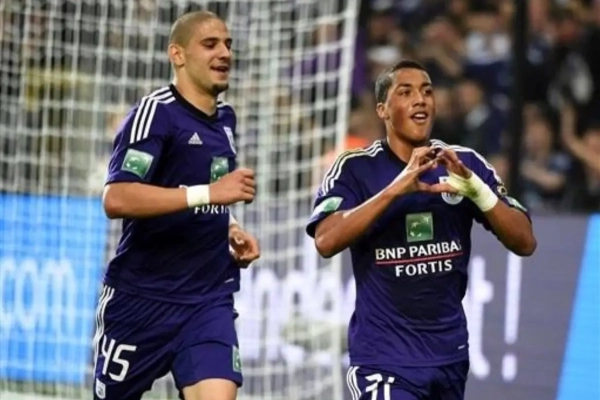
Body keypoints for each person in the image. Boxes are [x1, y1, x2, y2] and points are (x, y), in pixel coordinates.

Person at [306, 60, 536, 400]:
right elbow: (325, 240)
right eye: (406, 92)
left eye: (427, 91)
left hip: (449, 357)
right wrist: (395, 189)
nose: (420, 99)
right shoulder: (356, 168)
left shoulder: (462, 164)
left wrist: (478, 191)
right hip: (384, 360)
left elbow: (525, 242)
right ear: (383, 110)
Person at [94, 11, 259, 400]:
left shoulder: (226, 120)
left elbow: (207, 190)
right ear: (177, 55)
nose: (224, 53)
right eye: (210, 44)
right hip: (141, 301)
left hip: (207, 300)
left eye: (228, 44)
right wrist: (210, 194)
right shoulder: (156, 113)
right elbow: (117, 197)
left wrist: (231, 226)